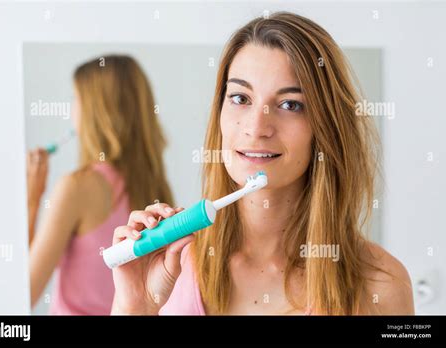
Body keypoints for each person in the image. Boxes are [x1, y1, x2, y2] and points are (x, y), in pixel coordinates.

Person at [110, 13, 414, 315]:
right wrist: (136, 305)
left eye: (290, 104)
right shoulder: (173, 266)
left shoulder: (380, 286)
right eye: (241, 98)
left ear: (326, 127)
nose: (256, 127)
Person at [27, 55, 174, 314]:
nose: (72, 111)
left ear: (95, 110)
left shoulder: (77, 188)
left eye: (76, 99)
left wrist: (31, 200)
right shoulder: (156, 188)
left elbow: (24, 292)